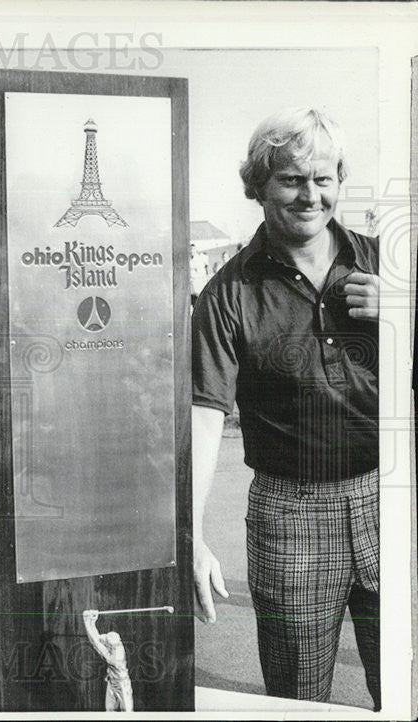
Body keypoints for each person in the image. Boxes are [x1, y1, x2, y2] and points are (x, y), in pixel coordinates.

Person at [191, 108, 379, 708]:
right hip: (289, 514)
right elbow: (203, 412)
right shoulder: (228, 292)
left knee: (401, 691)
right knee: (296, 701)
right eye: (292, 179)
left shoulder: (384, 266)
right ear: (259, 186)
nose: (310, 195)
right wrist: (190, 533)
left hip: (388, 498)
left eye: (324, 179)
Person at [82, 611, 134, 712]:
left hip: (122, 685)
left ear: (111, 646)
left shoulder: (114, 658)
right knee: (109, 712)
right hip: (112, 682)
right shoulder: (116, 643)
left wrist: (87, 621)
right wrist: (92, 622)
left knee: (128, 713)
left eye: (107, 642)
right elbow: (98, 638)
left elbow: (95, 642)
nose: (105, 641)